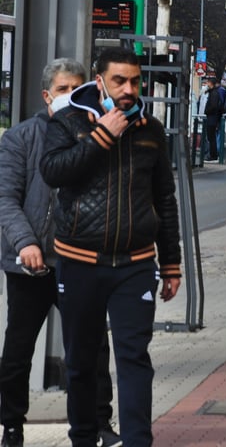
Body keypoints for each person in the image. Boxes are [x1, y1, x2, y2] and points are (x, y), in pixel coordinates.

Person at [39, 48, 182, 447]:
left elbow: (164, 200)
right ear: (99, 81)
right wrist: (103, 136)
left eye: (135, 81)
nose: (129, 89)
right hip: (80, 263)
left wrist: (171, 264)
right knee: (82, 364)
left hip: (134, 265)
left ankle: (139, 441)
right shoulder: (67, 121)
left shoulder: (150, 129)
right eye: (119, 80)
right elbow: (53, 171)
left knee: (134, 358)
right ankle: (83, 439)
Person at [0, 59, 120, 447]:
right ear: (46, 95)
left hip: (79, 261)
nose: (71, 96)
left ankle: (100, 423)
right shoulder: (20, 138)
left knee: (93, 347)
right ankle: (12, 425)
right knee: (18, 349)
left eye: (79, 89)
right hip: (30, 265)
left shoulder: (97, 136)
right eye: (64, 89)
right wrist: (26, 243)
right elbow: (5, 198)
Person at [199, 74, 226, 161]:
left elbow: (213, 106)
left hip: (212, 118)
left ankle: (212, 155)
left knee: (211, 137)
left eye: (208, 82)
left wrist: (207, 111)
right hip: (212, 117)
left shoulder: (214, 93)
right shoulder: (213, 92)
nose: (207, 84)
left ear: (211, 84)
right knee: (211, 137)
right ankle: (212, 154)